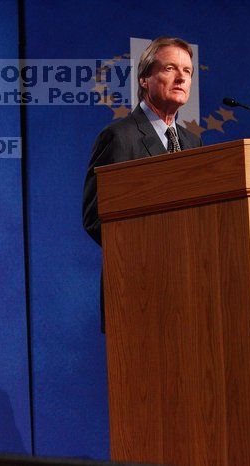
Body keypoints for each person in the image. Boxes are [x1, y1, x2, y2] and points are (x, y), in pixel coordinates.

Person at [82, 37, 203, 331]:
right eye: (170, 69)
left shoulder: (193, 143)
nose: (181, 77)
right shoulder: (120, 137)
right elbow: (95, 218)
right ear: (145, 79)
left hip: (192, 293)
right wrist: (153, 255)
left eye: (187, 71)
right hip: (138, 293)